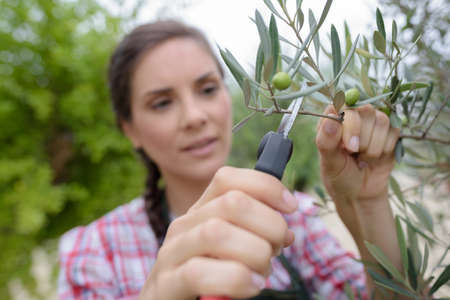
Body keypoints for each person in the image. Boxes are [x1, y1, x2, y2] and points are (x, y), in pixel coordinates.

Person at [58, 20, 403, 300]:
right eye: (162, 103)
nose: (194, 116)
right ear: (129, 129)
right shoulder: (94, 251)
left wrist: (367, 205)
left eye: (207, 89)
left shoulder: (295, 217)